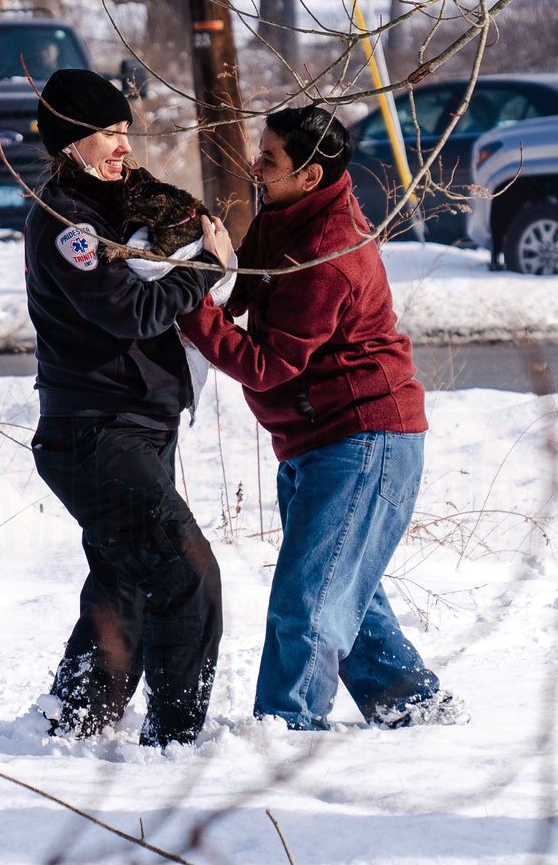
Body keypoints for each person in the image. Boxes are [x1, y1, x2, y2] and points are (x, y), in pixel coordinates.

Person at [177, 105, 468, 731]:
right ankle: (413, 706)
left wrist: (192, 316)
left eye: (270, 160)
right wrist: (193, 261)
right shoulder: (286, 213)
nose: (256, 166)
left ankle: (286, 729)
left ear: (310, 176)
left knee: (308, 600)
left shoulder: (328, 250)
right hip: (318, 437)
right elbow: (242, 288)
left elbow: (269, 364)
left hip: (364, 437)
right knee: (342, 587)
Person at [24, 68, 232, 748]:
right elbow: (130, 310)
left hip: (139, 426)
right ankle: (175, 740)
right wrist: (206, 269)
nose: (123, 146)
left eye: (123, 131)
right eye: (107, 133)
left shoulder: (114, 209)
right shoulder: (66, 223)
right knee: (187, 573)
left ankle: (75, 714)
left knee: (126, 581)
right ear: (69, 144)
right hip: (94, 433)